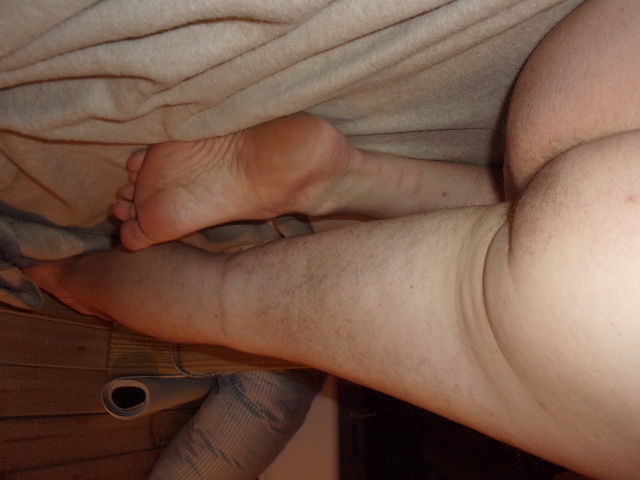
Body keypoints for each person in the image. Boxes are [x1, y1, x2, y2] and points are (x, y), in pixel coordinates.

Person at [23, 1, 640, 478]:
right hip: (615, 305)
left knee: (527, 213)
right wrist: (62, 279)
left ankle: (336, 177)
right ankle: (63, 275)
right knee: (227, 299)